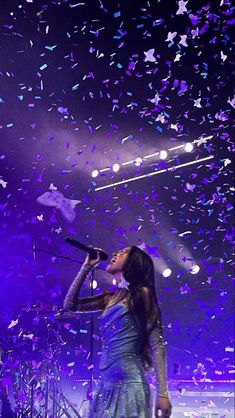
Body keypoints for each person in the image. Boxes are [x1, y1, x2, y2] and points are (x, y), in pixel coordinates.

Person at [63, 246, 172, 418]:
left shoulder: (142, 294)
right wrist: (87, 266)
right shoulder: (109, 298)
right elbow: (70, 305)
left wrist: (163, 393)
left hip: (129, 385)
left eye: (123, 252)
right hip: (106, 385)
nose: (115, 254)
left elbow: (157, 344)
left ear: (133, 262)